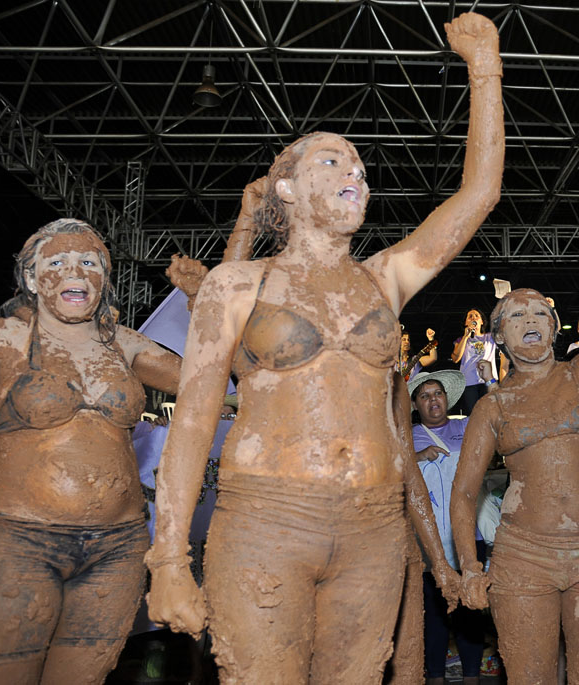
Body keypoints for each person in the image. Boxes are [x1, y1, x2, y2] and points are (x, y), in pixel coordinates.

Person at [144, 12, 504, 684]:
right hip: (266, 519)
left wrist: (486, 69)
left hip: (371, 528)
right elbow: (192, 420)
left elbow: (479, 194)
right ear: (287, 186)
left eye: (361, 165)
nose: (356, 171)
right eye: (333, 158)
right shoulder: (239, 282)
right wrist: (167, 558)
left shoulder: (384, 280)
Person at [0, 219, 182, 684]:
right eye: (58, 262)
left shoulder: (124, 344)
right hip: (16, 543)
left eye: (89, 262)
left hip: (117, 552)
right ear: (32, 278)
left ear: (103, 278)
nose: (76, 270)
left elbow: (210, 382)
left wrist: (213, 301)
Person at [449, 219, 579, 684]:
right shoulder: (493, 405)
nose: (530, 321)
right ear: (499, 336)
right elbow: (463, 494)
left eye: (539, 313)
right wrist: (470, 568)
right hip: (523, 558)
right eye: (516, 316)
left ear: (555, 328)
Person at [408, 370, 486, 685]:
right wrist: (417, 457)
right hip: (427, 542)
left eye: (437, 393)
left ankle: (471, 678)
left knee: (470, 613)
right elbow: (391, 471)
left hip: (469, 536)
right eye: (424, 396)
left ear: (447, 398)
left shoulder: (467, 427)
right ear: (416, 404)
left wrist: (489, 379)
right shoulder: (406, 436)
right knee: (434, 618)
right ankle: (436, 678)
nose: (433, 400)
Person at [451, 309, 507, 415]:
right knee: (473, 414)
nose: (473, 318)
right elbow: (455, 358)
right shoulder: (462, 340)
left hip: (488, 381)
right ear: (466, 323)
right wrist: (465, 336)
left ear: (482, 322)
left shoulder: (490, 337)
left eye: (477, 316)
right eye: (470, 316)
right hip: (469, 383)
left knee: (490, 413)